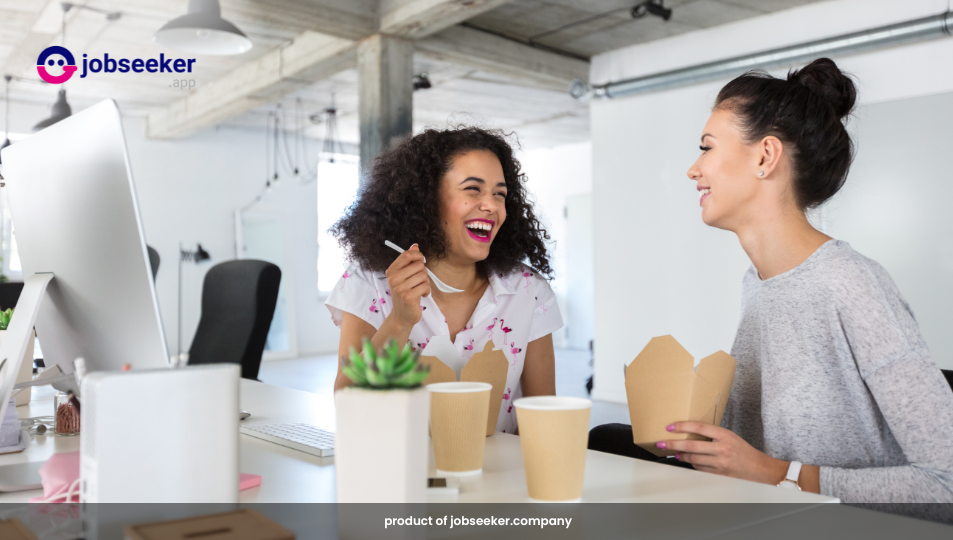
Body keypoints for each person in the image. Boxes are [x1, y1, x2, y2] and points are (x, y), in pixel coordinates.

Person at [593, 58, 953, 506]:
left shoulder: (850, 284)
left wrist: (774, 474)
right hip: (757, 518)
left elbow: (947, 483)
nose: (693, 169)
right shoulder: (759, 281)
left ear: (765, 156)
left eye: (706, 148)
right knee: (603, 440)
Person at [325, 126, 562, 433]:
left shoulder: (529, 291)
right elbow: (349, 405)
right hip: (400, 471)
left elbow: (545, 418)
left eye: (499, 194)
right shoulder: (367, 284)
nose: (491, 205)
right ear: (426, 199)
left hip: (497, 476)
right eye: (473, 189)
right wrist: (400, 321)